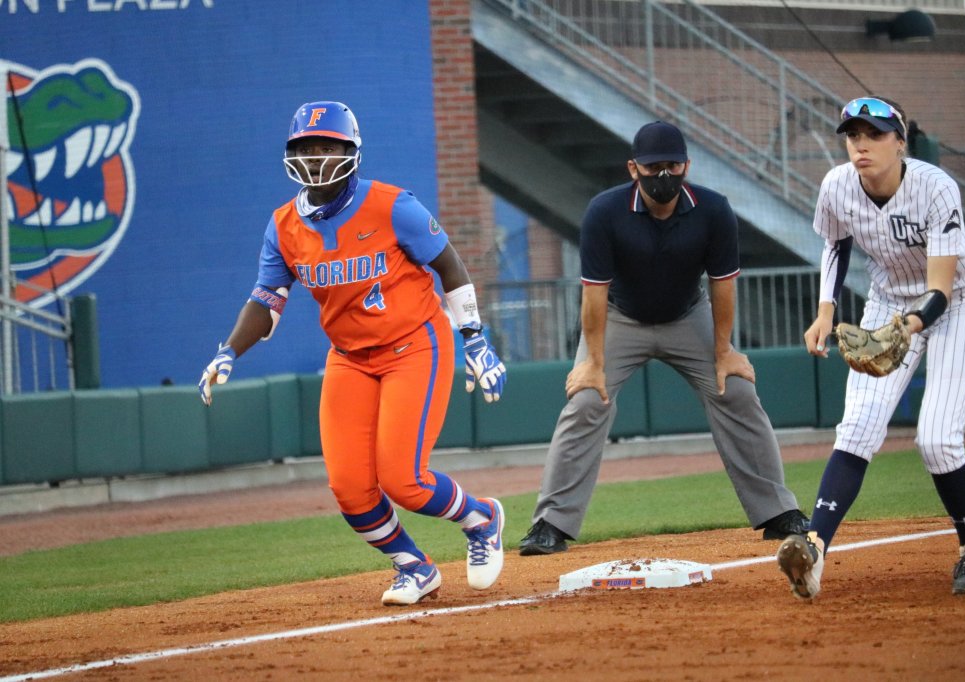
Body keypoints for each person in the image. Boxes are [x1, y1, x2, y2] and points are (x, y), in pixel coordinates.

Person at [198, 101, 508, 606]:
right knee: (349, 487)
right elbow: (267, 300)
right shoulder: (282, 225)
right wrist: (229, 350)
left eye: (326, 147)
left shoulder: (392, 205)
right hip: (349, 356)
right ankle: (414, 566)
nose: (316, 157)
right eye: (305, 148)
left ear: (351, 152)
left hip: (415, 344)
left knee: (404, 480)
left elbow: (450, 267)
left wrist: (475, 338)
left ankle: (482, 519)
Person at [518, 120, 808, 556]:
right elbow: (594, 295)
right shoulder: (604, 211)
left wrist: (725, 351)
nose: (664, 175)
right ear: (633, 169)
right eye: (654, 167)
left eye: (672, 165)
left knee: (738, 392)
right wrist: (593, 362)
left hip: (688, 316)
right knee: (585, 401)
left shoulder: (713, 209)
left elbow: (723, 284)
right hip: (620, 318)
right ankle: (549, 524)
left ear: (687, 165)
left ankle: (777, 512)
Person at [777, 96, 965, 600]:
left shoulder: (935, 188)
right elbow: (835, 245)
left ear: (900, 141)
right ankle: (812, 550)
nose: (861, 145)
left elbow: (940, 290)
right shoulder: (836, 184)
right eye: (853, 135)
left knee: (938, 440)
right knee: (857, 425)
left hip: (957, 303)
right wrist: (826, 312)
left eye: (875, 134)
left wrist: (907, 329)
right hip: (887, 300)